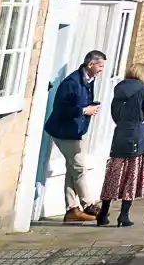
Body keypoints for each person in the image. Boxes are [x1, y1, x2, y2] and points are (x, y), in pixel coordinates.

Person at [44, 50, 106, 223]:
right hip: (64, 131)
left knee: (73, 167)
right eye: (100, 66)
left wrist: (89, 108)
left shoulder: (88, 80)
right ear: (91, 64)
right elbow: (61, 108)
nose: (102, 69)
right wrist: (84, 110)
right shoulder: (71, 82)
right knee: (79, 168)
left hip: (77, 131)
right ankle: (90, 205)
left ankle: (72, 209)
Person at [97, 65, 144, 227]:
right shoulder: (143, 90)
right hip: (137, 135)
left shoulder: (119, 90)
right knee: (132, 175)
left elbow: (114, 114)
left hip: (120, 134)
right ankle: (123, 215)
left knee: (114, 174)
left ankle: (103, 213)